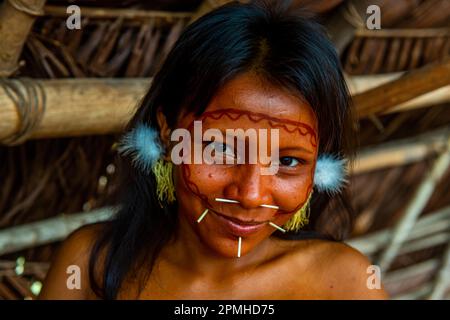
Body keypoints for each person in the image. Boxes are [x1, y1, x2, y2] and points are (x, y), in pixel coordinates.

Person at [39, 0, 389, 300]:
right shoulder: (89, 266)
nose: (251, 195)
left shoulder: (347, 284)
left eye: (287, 161)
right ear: (167, 133)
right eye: (221, 150)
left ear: (320, 168)